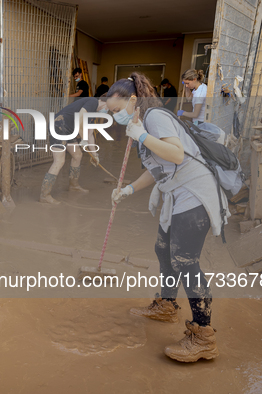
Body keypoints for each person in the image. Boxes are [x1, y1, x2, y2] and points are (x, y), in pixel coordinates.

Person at [107, 72, 229, 362]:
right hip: (177, 193)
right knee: (163, 248)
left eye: (115, 110)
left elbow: (175, 155)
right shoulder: (141, 122)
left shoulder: (155, 118)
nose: (114, 116)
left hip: (194, 193)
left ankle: (203, 335)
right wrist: (128, 190)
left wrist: (143, 136)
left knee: (185, 261)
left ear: (133, 99)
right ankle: (166, 305)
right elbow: (158, 168)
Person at [40, 97, 103, 204]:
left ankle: (73, 185)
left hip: (68, 129)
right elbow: (80, 119)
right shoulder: (93, 102)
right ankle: (44, 195)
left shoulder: (94, 113)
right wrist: (83, 139)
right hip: (59, 126)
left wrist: (94, 154)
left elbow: (90, 134)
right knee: (59, 161)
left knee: (77, 155)